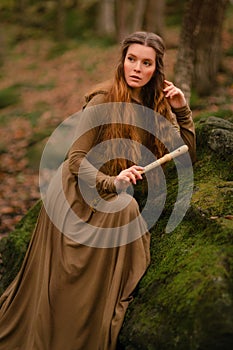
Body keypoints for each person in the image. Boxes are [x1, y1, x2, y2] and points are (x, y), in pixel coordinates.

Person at [0, 31, 196, 350]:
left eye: (146, 63)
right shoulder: (104, 98)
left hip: (113, 194)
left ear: (156, 69)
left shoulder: (157, 106)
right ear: (122, 61)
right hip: (77, 193)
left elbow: (184, 155)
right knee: (69, 280)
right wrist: (112, 182)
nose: (136, 68)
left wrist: (182, 110)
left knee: (127, 211)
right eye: (131, 59)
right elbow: (75, 159)